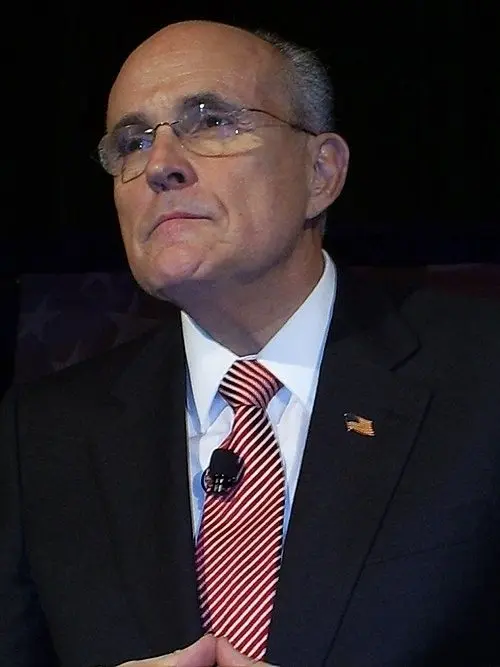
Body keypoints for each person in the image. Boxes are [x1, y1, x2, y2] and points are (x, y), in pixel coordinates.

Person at [1, 18, 499, 667]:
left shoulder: (483, 379)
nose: (160, 166)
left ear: (321, 172)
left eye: (211, 122)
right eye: (132, 142)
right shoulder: (41, 434)